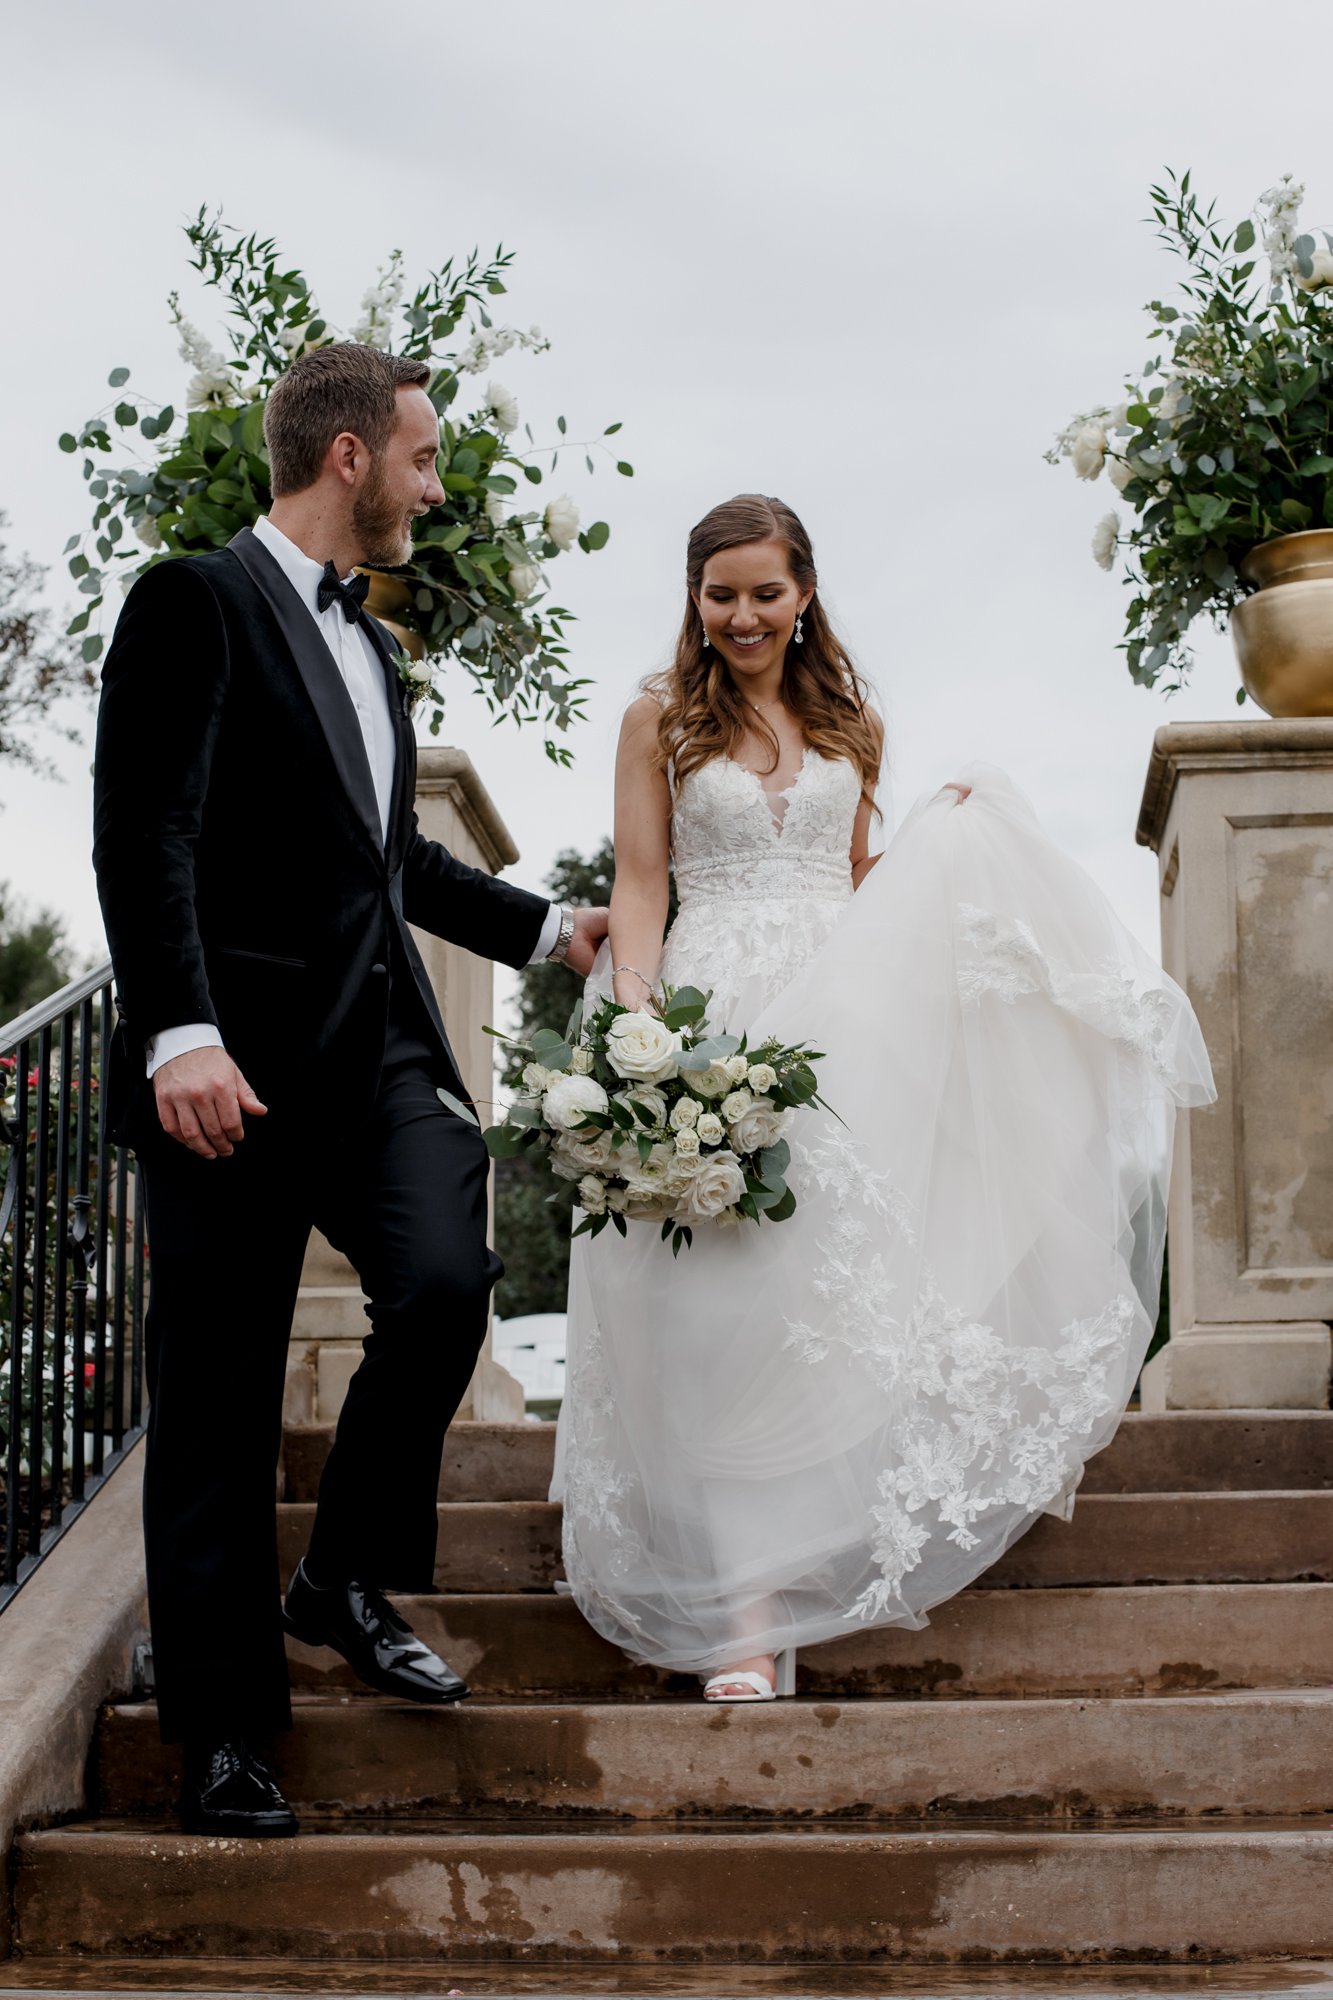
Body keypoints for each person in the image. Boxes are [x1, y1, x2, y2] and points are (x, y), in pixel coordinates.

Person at [552, 493, 1214, 1703]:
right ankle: (744, 1612)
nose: (742, 615)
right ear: (693, 598)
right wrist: (637, 1032)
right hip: (708, 1014)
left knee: (806, 1299)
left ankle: (800, 1562)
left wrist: (936, 851)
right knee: (709, 1308)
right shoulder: (656, 718)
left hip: (834, 1024)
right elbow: (641, 886)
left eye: (765, 590)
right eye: (720, 593)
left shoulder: (850, 721)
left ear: (804, 592)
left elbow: (860, 884)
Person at [92, 342, 608, 1836]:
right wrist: (177, 1032)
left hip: (375, 1053)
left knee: (449, 1284)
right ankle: (225, 1733)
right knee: (217, 1402)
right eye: (423, 459)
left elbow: (396, 867)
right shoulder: (194, 602)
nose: (433, 488)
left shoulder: (373, 652)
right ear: (347, 459)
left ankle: (338, 1576)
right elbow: (147, 831)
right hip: (231, 1071)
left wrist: (538, 928)